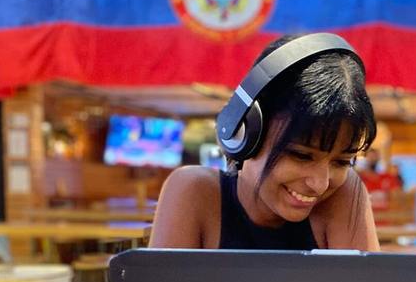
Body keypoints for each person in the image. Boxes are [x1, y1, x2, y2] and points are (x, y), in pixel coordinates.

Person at [150, 34, 379, 252]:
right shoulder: (194, 192)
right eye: (301, 155)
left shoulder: (343, 193)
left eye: (341, 162)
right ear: (244, 132)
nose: (320, 184)